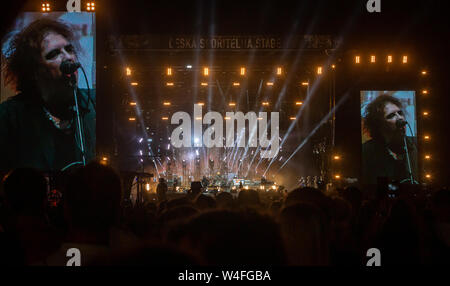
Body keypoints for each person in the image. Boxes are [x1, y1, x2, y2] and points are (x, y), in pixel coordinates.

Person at [0, 18, 95, 173]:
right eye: (54, 54)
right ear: (34, 72)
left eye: (69, 49)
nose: (68, 57)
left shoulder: (94, 104)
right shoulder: (10, 117)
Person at [362, 94, 418, 187]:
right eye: (391, 116)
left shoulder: (415, 144)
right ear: (379, 124)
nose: (400, 118)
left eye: (400, 113)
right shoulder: (367, 151)